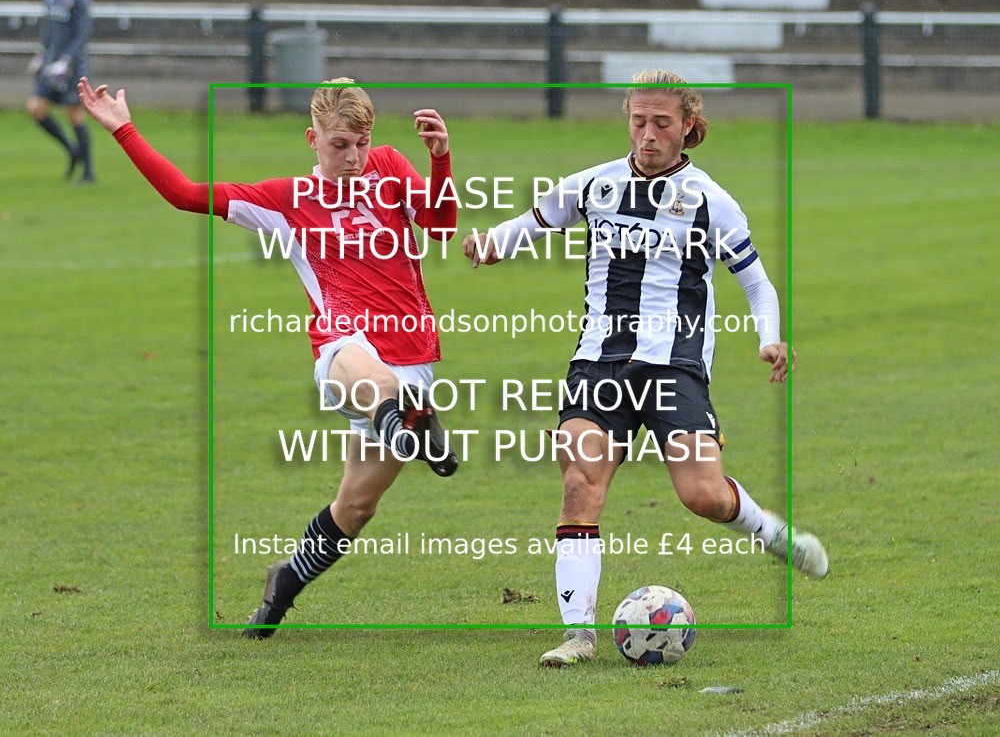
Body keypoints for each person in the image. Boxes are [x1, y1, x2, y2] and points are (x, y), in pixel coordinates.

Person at [462, 70, 829, 667]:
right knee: (580, 486)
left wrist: (771, 338)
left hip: (675, 367)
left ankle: (772, 534)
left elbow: (758, 284)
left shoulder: (711, 200)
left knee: (704, 497)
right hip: (599, 361)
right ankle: (577, 635)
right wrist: (492, 242)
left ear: (688, 125)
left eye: (662, 123)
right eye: (639, 121)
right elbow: (534, 220)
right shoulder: (597, 184)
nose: (648, 134)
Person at [78, 75, 459, 638]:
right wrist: (123, 129)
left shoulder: (392, 168)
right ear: (312, 139)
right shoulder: (284, 201)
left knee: (355, 508)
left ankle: (284, 584)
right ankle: (407, 420)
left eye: (360, 143)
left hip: (410, 356)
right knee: (358, 363)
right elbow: (185, 193)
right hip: (342, 351)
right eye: (338, 145)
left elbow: (442, 227)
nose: (352, 157)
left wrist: (441, 161)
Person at [27, 0, 95, 182]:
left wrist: (66, 59)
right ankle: (72, 150)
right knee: (36, 109)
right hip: (50, 65)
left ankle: (88, 172)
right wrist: (42, 54)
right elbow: (49, 28)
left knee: (74, 114)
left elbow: (83, 32)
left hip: (72, 67)